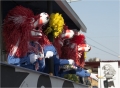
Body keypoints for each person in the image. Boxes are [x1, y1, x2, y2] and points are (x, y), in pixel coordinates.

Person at [2, 5, 49, 71]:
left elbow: (41, 68)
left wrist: (41, 59)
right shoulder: (17, 43)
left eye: (38, 28)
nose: (39, 30)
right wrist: (28, 59)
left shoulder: (37, 45)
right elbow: (10, 61)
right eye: (35, 27)